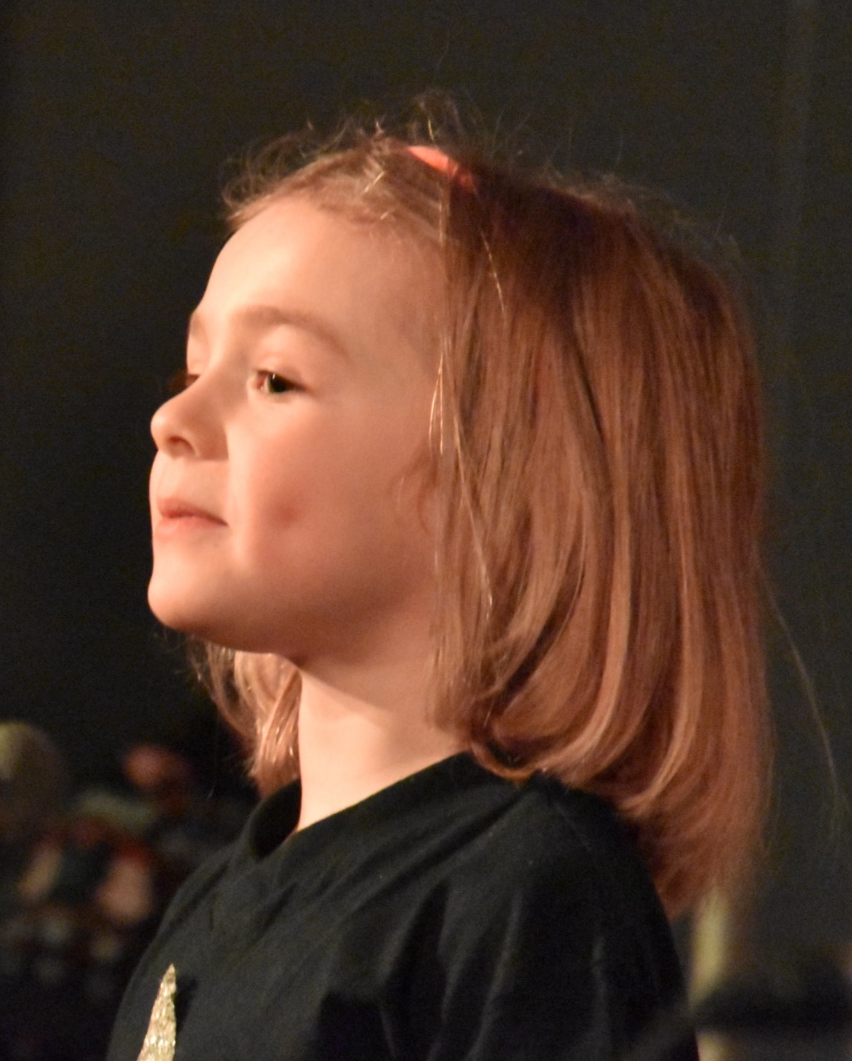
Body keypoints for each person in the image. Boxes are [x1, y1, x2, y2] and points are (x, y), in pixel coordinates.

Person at [106, 117, 767, 1061]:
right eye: (193, 368)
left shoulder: (526, 900)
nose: (173, 417)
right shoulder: (217, 901)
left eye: (275, 379)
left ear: (506, 476)